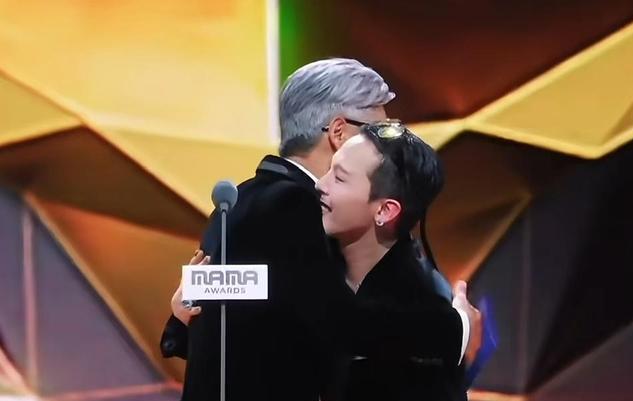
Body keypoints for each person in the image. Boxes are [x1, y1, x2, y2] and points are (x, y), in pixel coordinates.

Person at [160, 59, 481, 401]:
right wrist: (457, 331)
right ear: (339, 132)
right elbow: (339, 323)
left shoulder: (240, 202)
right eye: (376, 130)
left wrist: (181, 324)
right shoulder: (295, 205)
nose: (386, 143)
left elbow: (242, 324)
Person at [317, 120, 471, 401]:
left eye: (339, 178)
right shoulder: (306, 258)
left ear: (385, 211)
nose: (319, 184)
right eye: (329, 169)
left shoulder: (421, 307)